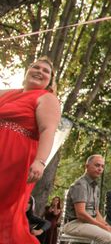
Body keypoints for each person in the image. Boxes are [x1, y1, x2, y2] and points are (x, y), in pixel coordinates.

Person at [0, 56, 61, 244]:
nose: (40, 71)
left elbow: (47, 130)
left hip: (15, 160)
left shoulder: (47, 98)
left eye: (46, 71)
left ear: (50, 81)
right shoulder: (7, 93)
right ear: (27, 72)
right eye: (36, 67)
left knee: (4, 210)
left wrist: (40, 161)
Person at [62, 154, 111, 244]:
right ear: (87, 166)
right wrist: (103, 227)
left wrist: (107, 225)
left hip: (89, 223)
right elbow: (81, 214)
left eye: (102, 166)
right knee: (107, 237)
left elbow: (96, 212)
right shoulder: (80, 185)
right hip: (74, 223)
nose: (100, 169)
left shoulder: (95, 187)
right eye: (97, 165)